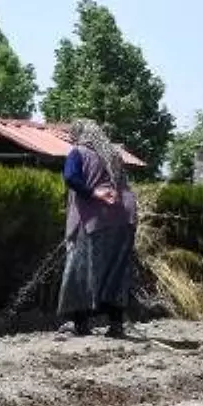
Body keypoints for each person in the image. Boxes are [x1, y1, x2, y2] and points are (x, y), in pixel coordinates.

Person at [57, 118, 138, 339]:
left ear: (79, 135)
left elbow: (71, 178)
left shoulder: (78, 152)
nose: (72, 139)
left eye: (72, 135)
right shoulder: (113, 154)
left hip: (96, 219)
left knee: (80, 270)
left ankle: (78, 323)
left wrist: (93, 193)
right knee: (115, 272)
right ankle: (116, 325)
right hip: (125, 219)